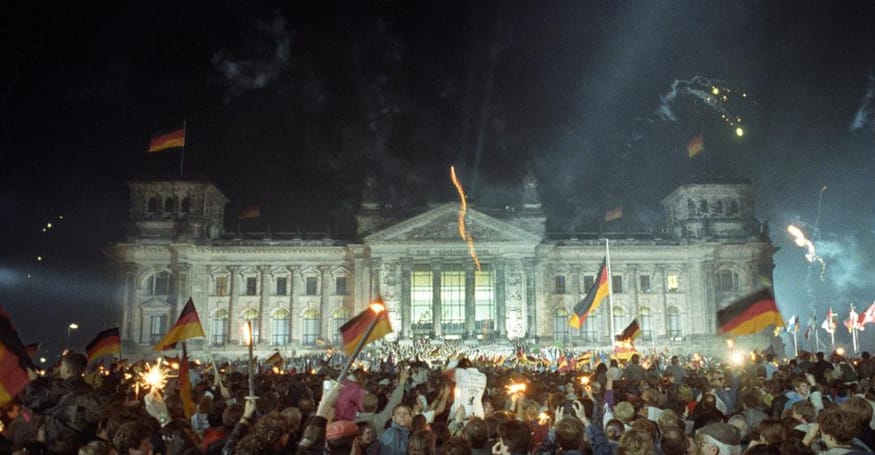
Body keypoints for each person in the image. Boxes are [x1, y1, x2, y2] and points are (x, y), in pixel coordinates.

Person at [23, 352, 102, 445]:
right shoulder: (89, 389)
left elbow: (33, 401)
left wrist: (34, 382)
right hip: (82, 442)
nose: (60, 369)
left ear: (68, 370)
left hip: (61, 442)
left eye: (62, 366)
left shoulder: (62, 389)